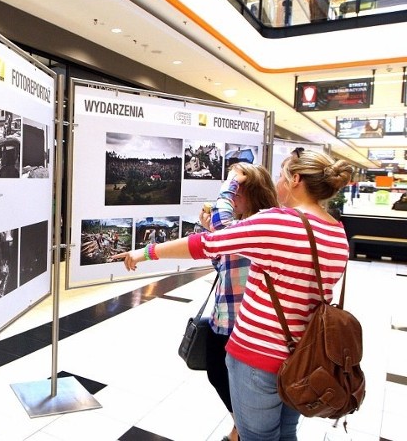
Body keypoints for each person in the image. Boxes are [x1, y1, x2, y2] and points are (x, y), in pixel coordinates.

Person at [113, 148, 353, 441]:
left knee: (256, 436)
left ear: (296, 180)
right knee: (287, 432)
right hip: (303, 357)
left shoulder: (277, 221)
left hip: (258, 356)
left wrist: (145, 252)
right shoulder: (336, 231)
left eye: (281, 174)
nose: (277, 181)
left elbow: (206, 243)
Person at [198, 162, 279, 441]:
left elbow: (223, 224)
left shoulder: (261, 224)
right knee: (217, 374)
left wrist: (229, 184)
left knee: (229, 379)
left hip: (244, 323)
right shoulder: (245, 225)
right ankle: (239, 427)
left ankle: (240, 431)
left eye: (236, 191)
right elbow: (223, 263)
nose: (231, 200)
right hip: (225, 315)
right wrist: (211, 232)